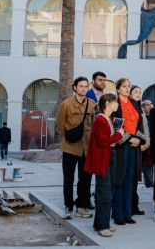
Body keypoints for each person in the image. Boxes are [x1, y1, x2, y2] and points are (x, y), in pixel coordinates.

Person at [84, 93, 126, 238]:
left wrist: (117, 134)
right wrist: (119, 134)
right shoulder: (100, 119)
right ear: (108, 103)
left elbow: (108, 140)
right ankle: (103, 226)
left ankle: (100, 223)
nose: (118, 105)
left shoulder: (107, 119)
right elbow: (103, 141)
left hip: (110, 156)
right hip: (103, 159)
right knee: (104, 192)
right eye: (115, 102)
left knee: (108, 190)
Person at [57, 76, 95, 219]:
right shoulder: (66, 104)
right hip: (70, 148)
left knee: (85, 179)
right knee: (68, 179)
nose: (84, 89)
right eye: (81, 86)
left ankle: (81, 206)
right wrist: (70, 137)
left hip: (86, 147)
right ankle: (68, 207)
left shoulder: (92, 105)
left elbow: (93, 125)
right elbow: (60, 126)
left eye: (86, 86)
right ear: (74, 87)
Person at [111, 78, 146, 225]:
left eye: (128, 86)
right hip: (121, 146)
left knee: (130, 180)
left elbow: (140, 125)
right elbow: (115, 125)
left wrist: (139, 139)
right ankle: (117, 214)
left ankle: (127, 213)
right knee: (120, 179)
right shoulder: (116, 104)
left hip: (134, 146)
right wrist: (129, 138)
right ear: (118, 89)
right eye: (124, 86)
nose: (127, 88)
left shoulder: (133, 103)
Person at [130, 85, 150, 216]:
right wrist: (142, 140)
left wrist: (146, 142)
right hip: (133, 145)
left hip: (141, 147)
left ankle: (134, 205)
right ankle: (131, 206)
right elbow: (134, 130)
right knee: (130, 179)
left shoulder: (140, 109)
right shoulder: (130, 108)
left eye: (139, 92)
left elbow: (145, 129)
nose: (138, 94)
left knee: (136, 179)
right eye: (135, 92)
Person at [141, 100, 155, 188]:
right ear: (143, 107)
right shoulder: (142, 117)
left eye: (151, 104)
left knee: (151, 165)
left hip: (154, 145)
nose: (150, 106)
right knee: (146, 165)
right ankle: (149, 182)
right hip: (144, 144)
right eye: (147, 105)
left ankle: (150, 182)